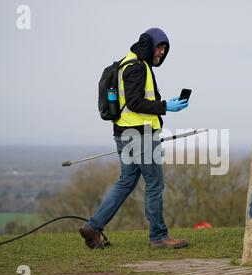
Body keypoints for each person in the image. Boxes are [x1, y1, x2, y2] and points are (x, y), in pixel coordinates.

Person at [79, 28, 189, 249]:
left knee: (126, 182)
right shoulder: (137, 68)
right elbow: (135, 103)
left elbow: (133, 102)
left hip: (124, 135)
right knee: (155, 184)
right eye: (159, 47)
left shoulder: (126, 63)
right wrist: (166, 106)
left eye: (165, 49)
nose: (161, 53)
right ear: (149, 45)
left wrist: (164, 103)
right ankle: (158, 237)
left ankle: (93, 226)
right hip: (140, 136)